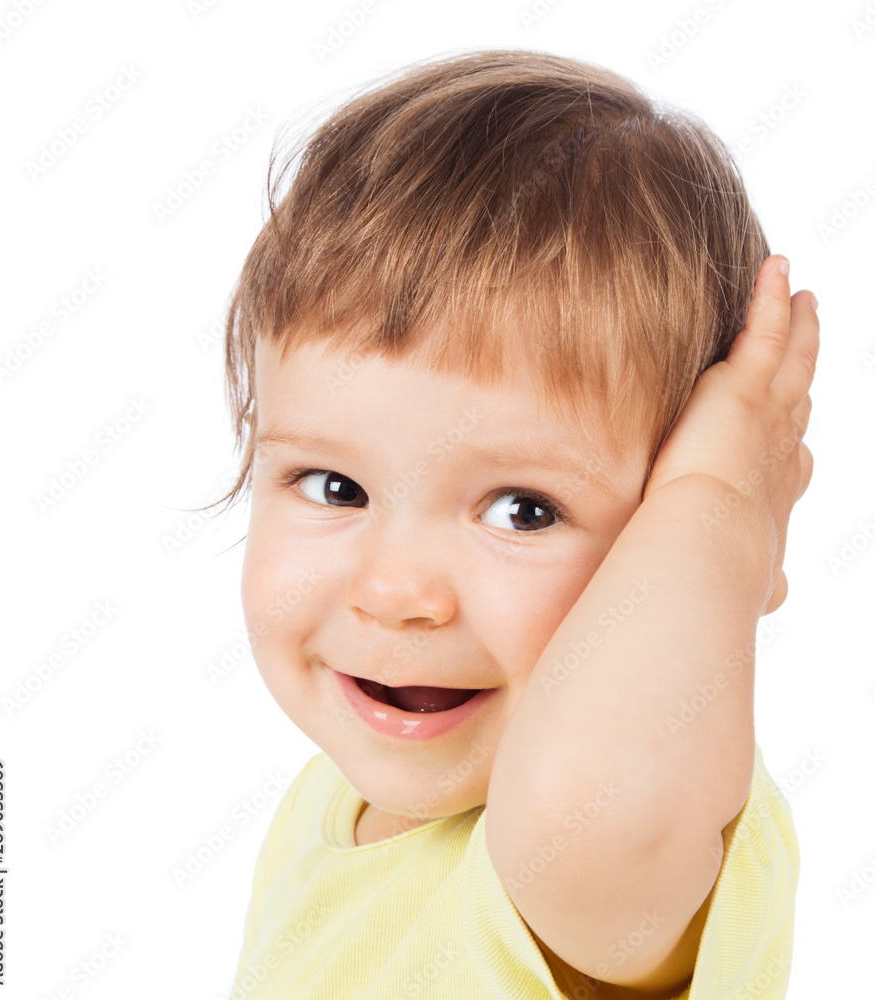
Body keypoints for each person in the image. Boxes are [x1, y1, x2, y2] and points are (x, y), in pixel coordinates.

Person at [212, 48, 819, 999]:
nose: (396, 593)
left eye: (523, 511)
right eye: (334, 487)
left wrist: (722, 504)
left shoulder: (627, 838)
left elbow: (587, 808)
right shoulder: (329, 803)